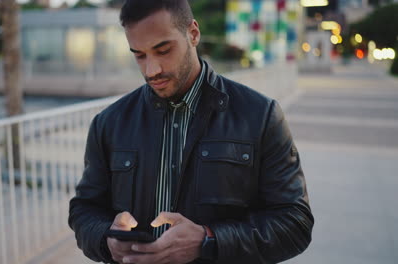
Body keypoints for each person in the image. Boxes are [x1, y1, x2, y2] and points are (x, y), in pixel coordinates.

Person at [68, 0, 314, 263]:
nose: (152, 70)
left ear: (193, 33)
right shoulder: (109, 122)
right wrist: (106, 239)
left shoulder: (260, 116)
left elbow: (295, 224)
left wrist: (208, 240)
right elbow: (84, 210)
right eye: (139, 55)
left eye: (163, 50)